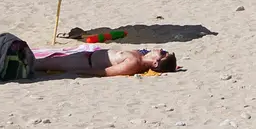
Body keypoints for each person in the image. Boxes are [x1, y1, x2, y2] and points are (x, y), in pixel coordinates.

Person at [34, 46, 178, 77]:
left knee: (40, 64)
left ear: (155, 63)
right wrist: (172, 66)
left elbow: (105, 72)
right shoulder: (141, 55)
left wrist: (74, 72)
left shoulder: (133, 63)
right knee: (42, 62)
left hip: (84, 63)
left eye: (163, 53)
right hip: (87, 56)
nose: (160, 49)